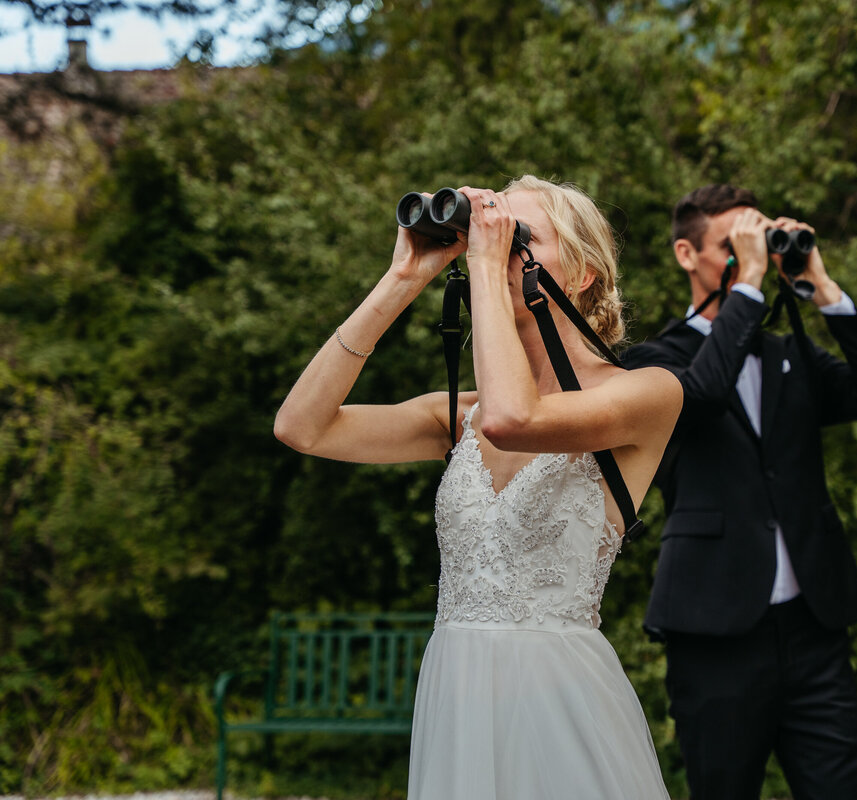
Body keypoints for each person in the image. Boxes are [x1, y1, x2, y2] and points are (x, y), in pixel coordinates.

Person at [274, 175, 681, 799]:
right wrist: (403, 279)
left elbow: (516, 421)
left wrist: (489, 268)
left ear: (580, 275)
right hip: (457, 692)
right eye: (488, 233)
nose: (493, 246)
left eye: (521, 236)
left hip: (560, 701)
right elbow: (301, 427)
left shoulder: (647, 392)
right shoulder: (458, 414)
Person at [622, 184, 857, 800]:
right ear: (685, 254)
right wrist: (750, 282)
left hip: (814, 626)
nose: (749, 255)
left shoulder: (788, 355)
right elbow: (701, 400)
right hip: (715, 631)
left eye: (757, 243)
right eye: (733, 245)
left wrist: (822, 288)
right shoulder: (655, 362)